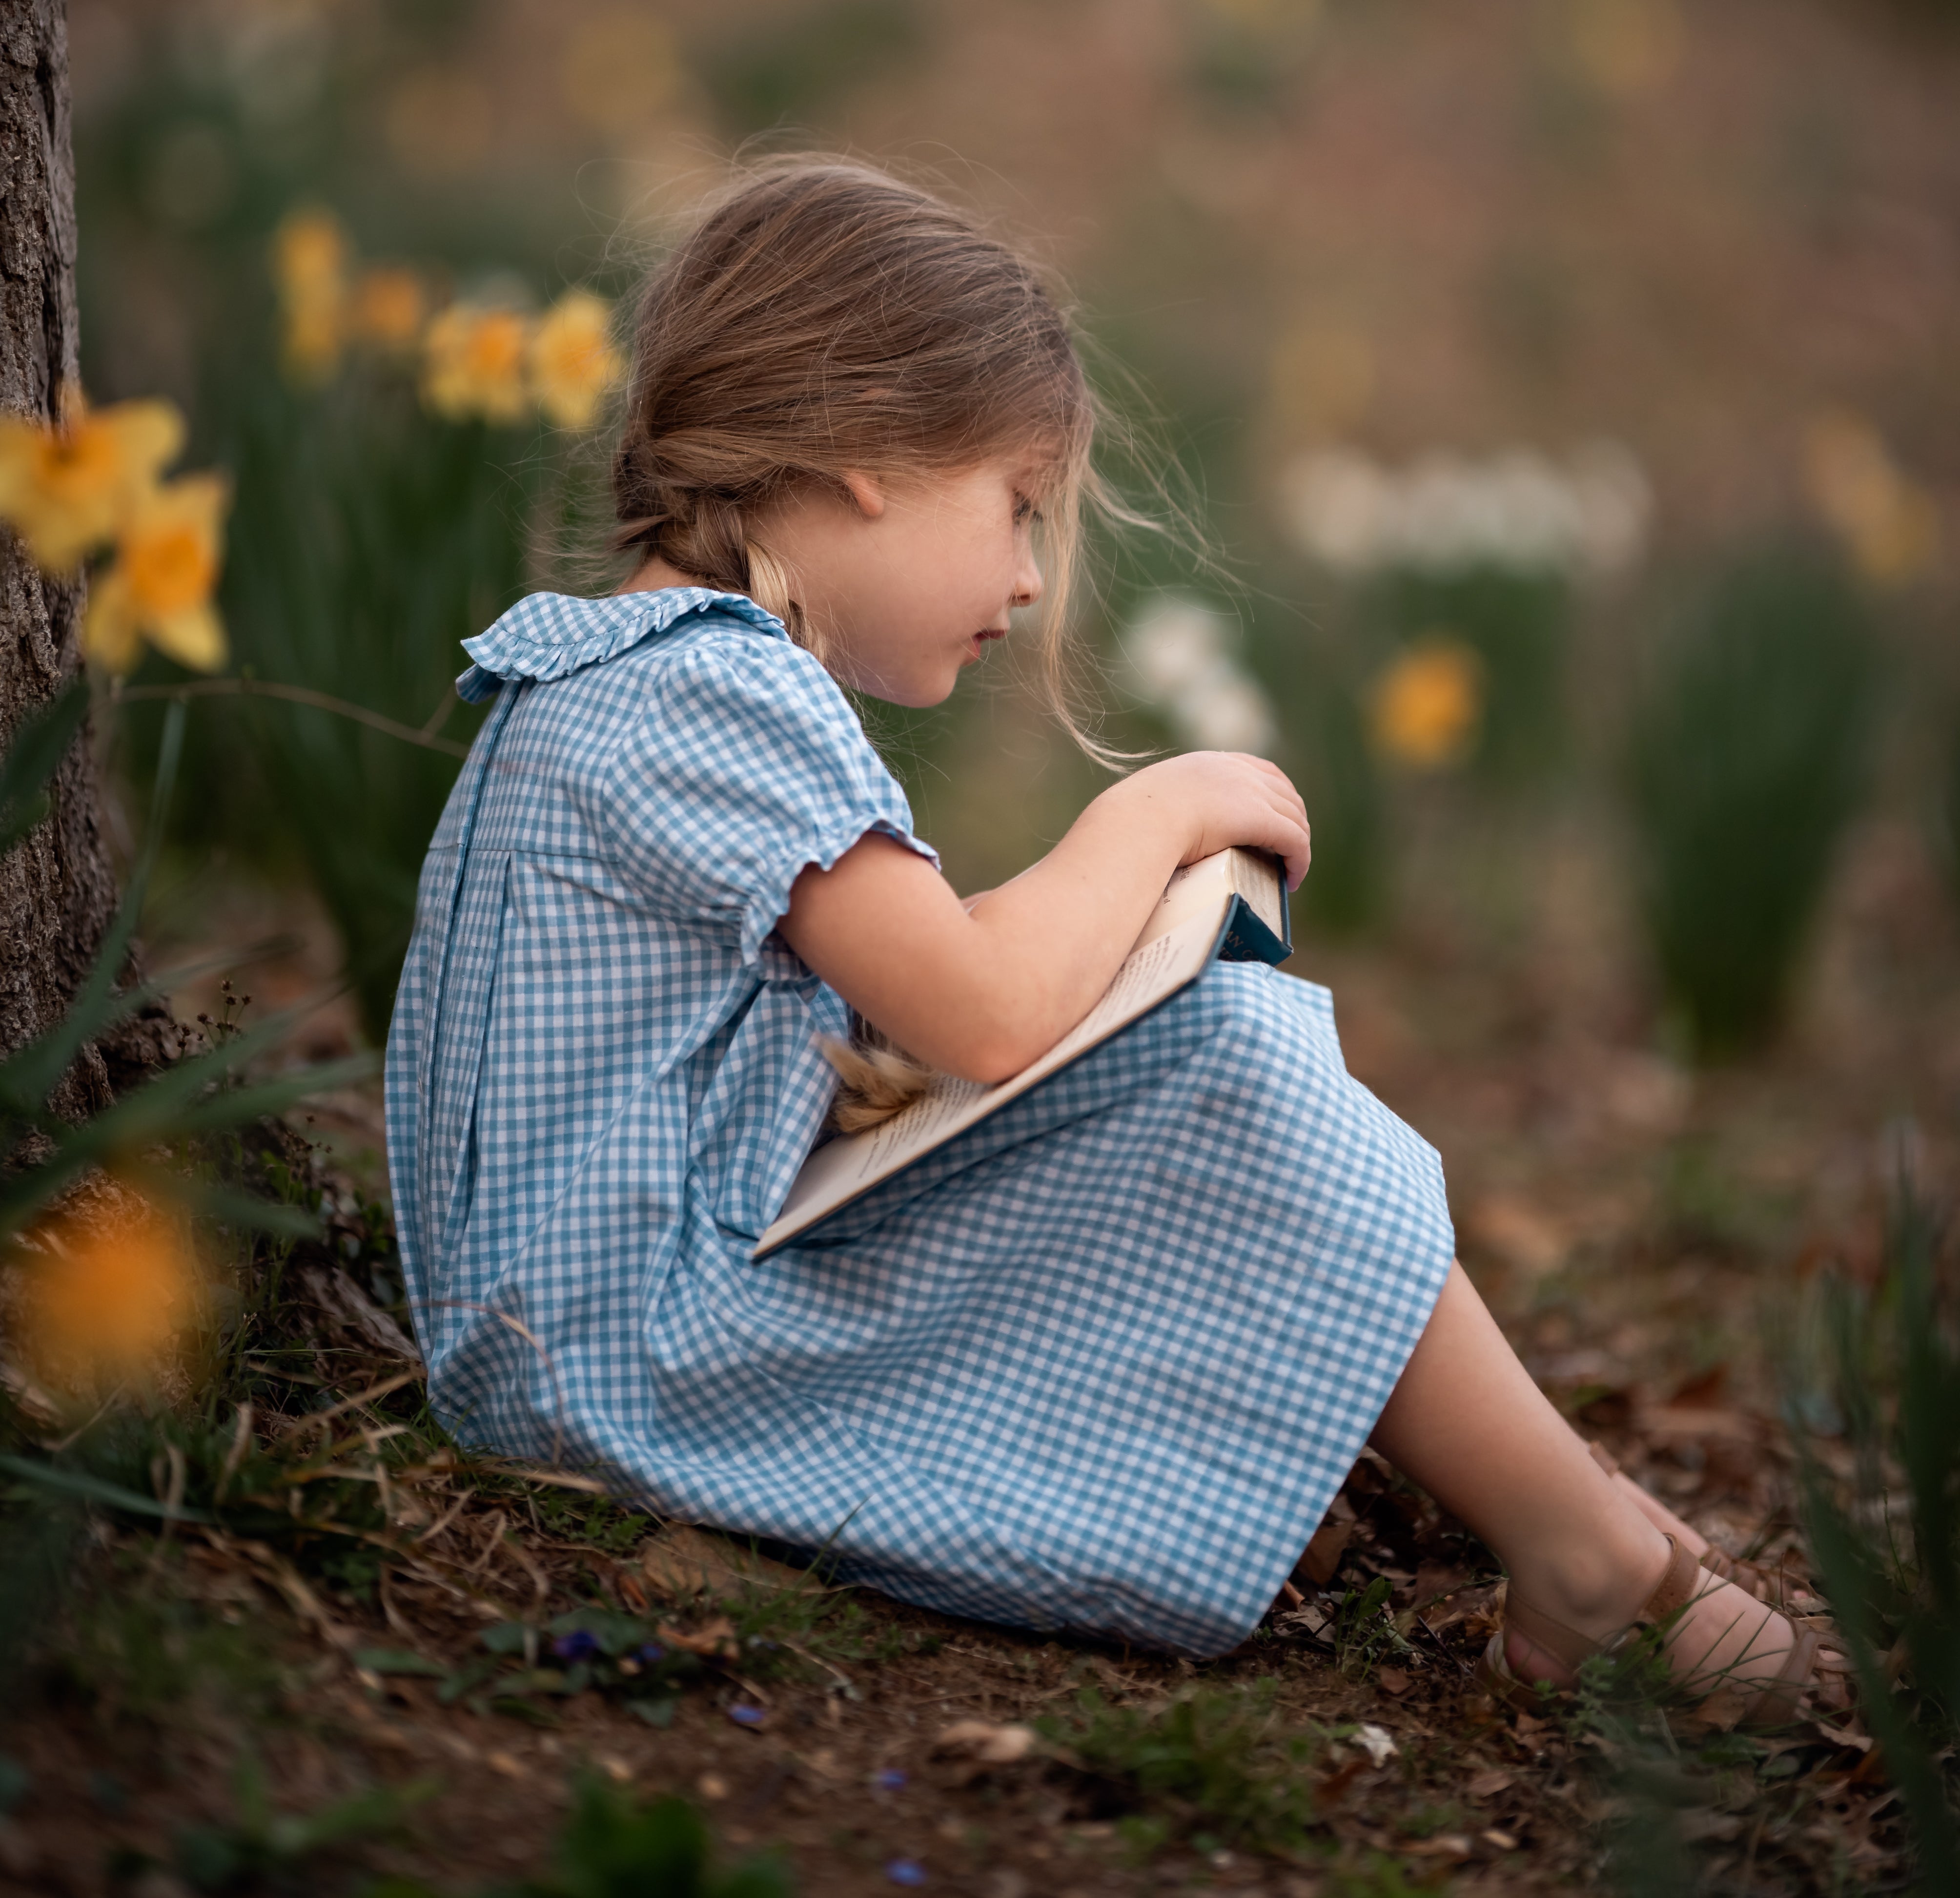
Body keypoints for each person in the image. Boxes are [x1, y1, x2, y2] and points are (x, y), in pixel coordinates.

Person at [385, 159, 1837, 1723]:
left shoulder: (617, 671)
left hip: (574, 1330)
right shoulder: (724, 694)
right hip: (630, 1361)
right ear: (870, 452)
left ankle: (1561, 1507)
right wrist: (1158, 816)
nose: (1024, 576)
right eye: (1016, 506)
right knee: (1234, 1069)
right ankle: (1581, 1545)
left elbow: (933, 968)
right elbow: (986, 1015)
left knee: (1201, 1071)